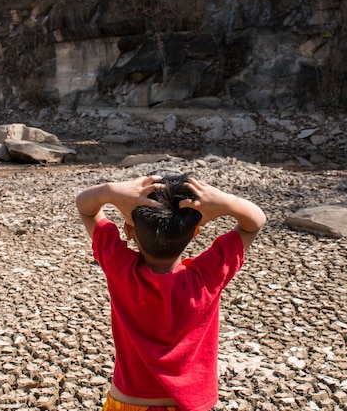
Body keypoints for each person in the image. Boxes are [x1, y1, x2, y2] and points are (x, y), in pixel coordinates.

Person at [75, 173, 266, 411]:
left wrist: (111, 190)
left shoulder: (119, 267)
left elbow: (86, 207)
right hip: (189, 405)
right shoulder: (208, 275)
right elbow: (255, 223)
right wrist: (226, 202)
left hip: (128, 401)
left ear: (128, 229)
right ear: (195, 233)